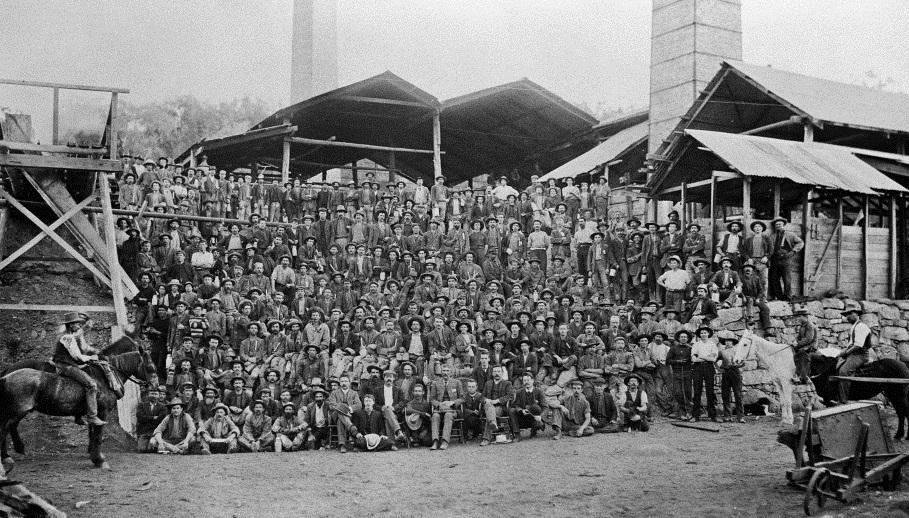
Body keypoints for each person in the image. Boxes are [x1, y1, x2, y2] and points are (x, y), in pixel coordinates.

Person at [52, 312, 106, 425]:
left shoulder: (70, 335)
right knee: (91, 385)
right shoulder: (68, 338)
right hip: (66, 366)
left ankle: (78, 416)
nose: (80, 326)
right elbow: (78, 356)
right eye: (77, 323)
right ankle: (92, 416)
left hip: (67, 364)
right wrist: (92, 357)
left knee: (83, 383)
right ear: (71, 325)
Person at [837, 305, 872, 403]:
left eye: (849, 314)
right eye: (846, 315)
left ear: (856, 314)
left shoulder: (861, 327)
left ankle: (843, 400)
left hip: (860, 355)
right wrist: (843, 351)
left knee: (844, 371)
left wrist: (845, 353)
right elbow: (851, 344)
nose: (847, 317)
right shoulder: (854, 326)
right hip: (853, 354)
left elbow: (858, 345)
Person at [768, 217, 804, 301]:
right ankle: (780, 297)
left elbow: (800, 242)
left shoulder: (790, 235)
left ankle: (788, 297)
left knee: (787, 279)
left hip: (786, 259)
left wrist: (793, 251)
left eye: (780, 224)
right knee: (774, 279)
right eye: (776, 225)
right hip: (775, 260)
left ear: (783, 225)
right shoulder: (772, 236)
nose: (778, 226)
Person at [429, 363, 464, 450]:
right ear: (441, 372)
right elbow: (432, 399)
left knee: (448, 415)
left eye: (447, 371)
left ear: (451, 372)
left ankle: (445, 441)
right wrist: (439, 404)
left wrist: (453, 402)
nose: (445, 373)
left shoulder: (457, 382)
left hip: (452, 410)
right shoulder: (436, 383)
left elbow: (463, 398)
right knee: (435, 416)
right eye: (444, 371)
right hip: (439, 409)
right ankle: (435, 441)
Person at [480, 365, 515, 446]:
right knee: (489, 407)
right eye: (495, 371)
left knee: (491, 412)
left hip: (500, 408)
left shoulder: (507, 383)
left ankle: (486, 439)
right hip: (488, 406)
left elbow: (510, 396)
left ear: (502, 373)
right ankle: (492, 422)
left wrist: (497, 401)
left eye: (499, 371)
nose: (497, 373)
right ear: (492, 373)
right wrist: (486, 400)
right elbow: (482, 397)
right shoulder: (488, 383)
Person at [690, 326, 719, 422]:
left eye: (705, 333)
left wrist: (701, 356)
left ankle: (713, 415)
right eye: (701, 333)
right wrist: (707, 357)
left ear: (708, 334)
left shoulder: (712, 345)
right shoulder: (696, 345)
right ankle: (695, 416)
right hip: (697, 368)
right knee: (697, 391)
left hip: (709, 367)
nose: (703, 334)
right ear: (699, 335)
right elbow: (694, 359)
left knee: (710, 391)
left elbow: (713, 359)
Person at [716, 330, 745, 423]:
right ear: (724, 342)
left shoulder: (737, 351)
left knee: (738, 394)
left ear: (733, 342)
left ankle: (740, 416)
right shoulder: (722, 351)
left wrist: (738, 365)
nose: (728, 342)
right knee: (725, 394)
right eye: (726, 341)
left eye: (730, 341)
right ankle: (727, 415)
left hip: (735, 373)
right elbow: (714, 360)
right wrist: (719, 369)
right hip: (726, 373)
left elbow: (743, 362)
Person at [328, 374, 362, 453]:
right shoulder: (334, 393)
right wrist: (342, 407)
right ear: (339, 383)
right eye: (342, 381)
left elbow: (359, 405)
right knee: (341, 408)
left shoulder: (354, 393)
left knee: (340, 421)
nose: (344, 383)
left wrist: (349, 408)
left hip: (350, 416)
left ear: (349, 382)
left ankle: (342, 444)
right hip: (335, 415)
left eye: (346, 381)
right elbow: (331, 405)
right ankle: (351, 428)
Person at [508, 372, 547, 441]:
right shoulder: (519, 392)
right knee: (512, 410)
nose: (527, 382)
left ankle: (534, 431)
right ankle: (517, 435)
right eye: (525, 380)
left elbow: (545, 407)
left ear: (532, 380)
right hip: (523, 417)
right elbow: (516, 405)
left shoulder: (539, 391)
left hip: (535, 418)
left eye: (528, 380)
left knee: (536, 407)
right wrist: (521, 410)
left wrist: (541, 416)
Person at [136, 385, 167, 452]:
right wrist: (153, 417)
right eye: (152, 394)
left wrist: (147, 418)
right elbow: (140, 418)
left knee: (151, 448)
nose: (153, 396)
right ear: (148, 395)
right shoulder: (142, 405)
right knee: (141, 449)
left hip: (156, 432)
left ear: (159, 396)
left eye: (156, 394)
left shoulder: (163, 407)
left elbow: (160, 419)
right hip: (144, 431)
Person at [793, 306, 817, 384]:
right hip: (803, 346)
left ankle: (803, 377)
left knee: (802, 355)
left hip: (810, 347)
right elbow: (799, 337)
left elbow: (808, 339)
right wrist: (795, 342)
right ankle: (795, 373)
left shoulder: (810, 326)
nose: (798, 318)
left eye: (800, 316)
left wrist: (798, 344)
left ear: (805, 317)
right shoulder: (802, 326)